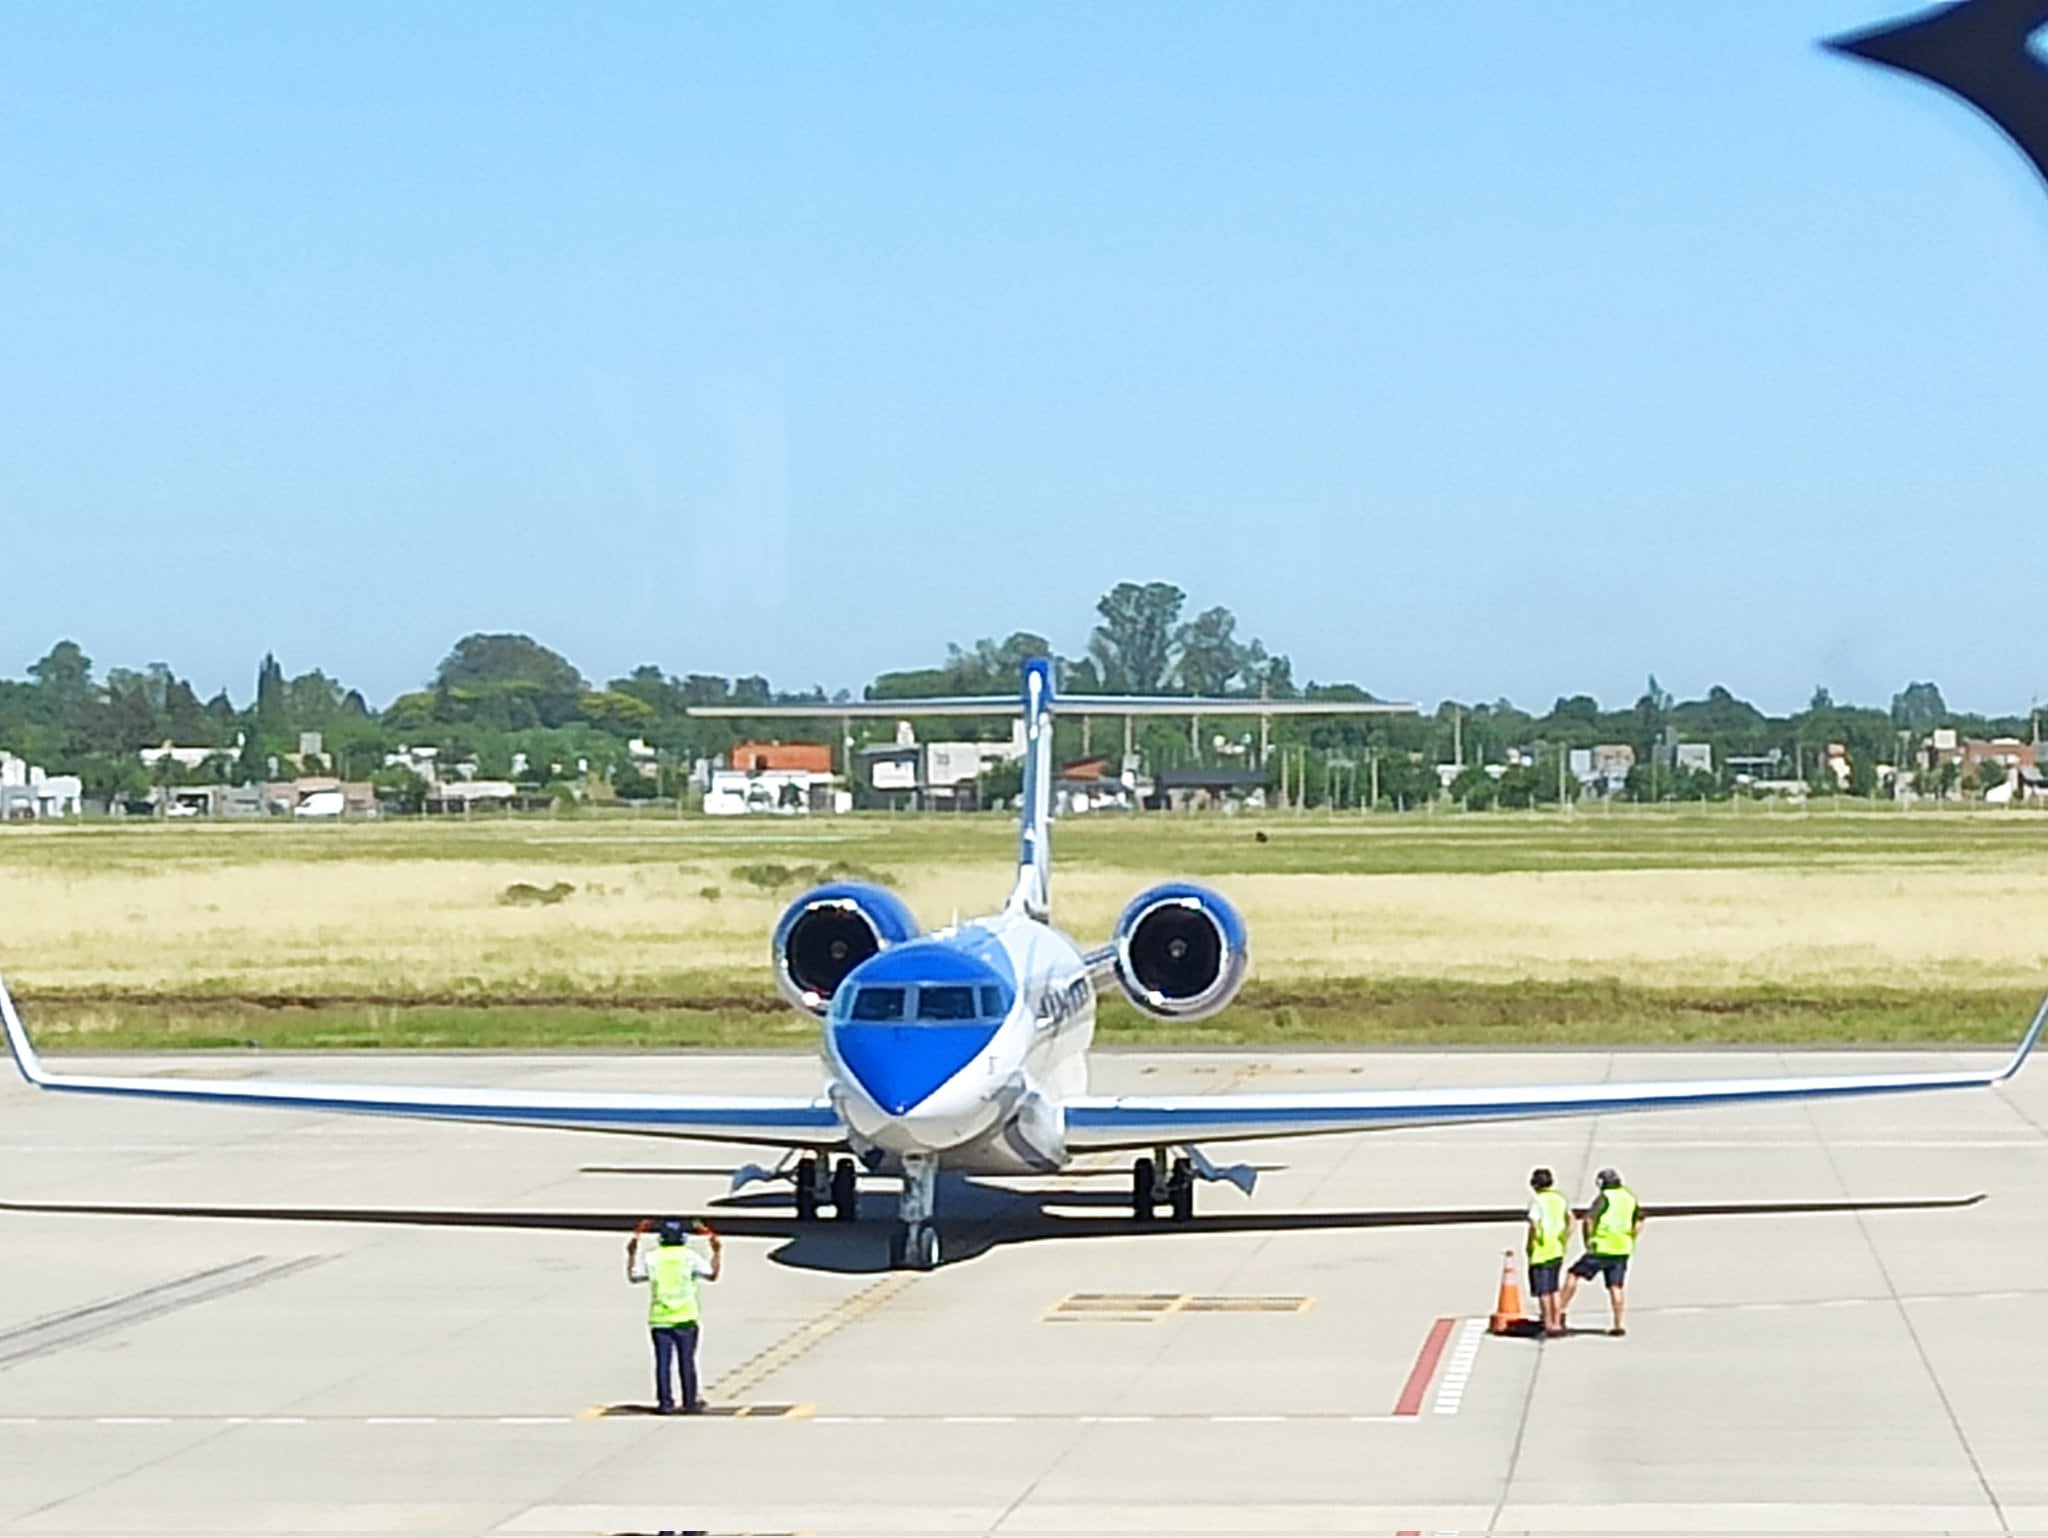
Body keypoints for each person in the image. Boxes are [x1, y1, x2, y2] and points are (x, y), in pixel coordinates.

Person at [626, 1215, 722, 1413]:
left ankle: (665, 1403)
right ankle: (690, 1402)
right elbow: (712, 1274)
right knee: (687, 1362)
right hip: (685, 1317)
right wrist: (717, 1252)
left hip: (660, 1318)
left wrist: (631, 1253)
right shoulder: (689, 1257)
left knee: (662, 1363)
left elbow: (634, 1276)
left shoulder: (653, 1257)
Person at [1561, 1167, 1643, 1337]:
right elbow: (1639, 1221)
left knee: (1573, 1275)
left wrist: (1588, 1241)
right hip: (1622, 1248)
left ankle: (1559, 1311)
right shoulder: (1629, 1197)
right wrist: (1631, 1239)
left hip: (1602, 1247)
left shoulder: (1604, 1197)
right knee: (1616, 1286)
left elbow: (1589, 1219)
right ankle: (1618, 1324)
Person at [1524, 1167, 1570, 1338]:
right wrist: (1564, 1237)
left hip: (1542, 1250)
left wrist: (1531, 1244)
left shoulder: (1538, 1201)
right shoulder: (1559, 1199)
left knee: (1543, 1291)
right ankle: (1557, 1322)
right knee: (1554, 1289)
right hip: (1557, 1247)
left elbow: (1534, 1226)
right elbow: (1570, 1220)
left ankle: (1548, 1323)